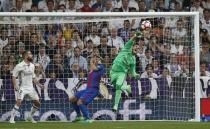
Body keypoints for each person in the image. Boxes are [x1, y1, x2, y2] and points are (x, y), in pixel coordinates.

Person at [9, 51, 44, 124]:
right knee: (19, 102)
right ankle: (12, 118)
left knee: (38, 103)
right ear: (25, 56)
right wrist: (15, 85)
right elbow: (14, 76)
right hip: (23, 87)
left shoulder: (32, 65)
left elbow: (33, 77)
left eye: (31, 54)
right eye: (30, 54)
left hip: (31, 88)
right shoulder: (19, 65)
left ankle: (30, 116)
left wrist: (39, 85)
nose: (31, 55)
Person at [110, 32, 141, 111]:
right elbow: (131, 40)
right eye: (135, 47)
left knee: (118, 86)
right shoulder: (126, 48)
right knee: (116, 86)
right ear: (132, 47)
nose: (136, 49)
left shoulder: (133, 60)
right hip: (113, 71)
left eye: (138, 48)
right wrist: (135, 35)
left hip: (122, 73)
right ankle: (127, 87)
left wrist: (136, 75)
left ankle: (115, 106)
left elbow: (133, 72)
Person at [69, 55, 105, 123]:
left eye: (98, 59)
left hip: (93, 90)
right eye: (95, 58)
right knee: (72, 99)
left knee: (80, 102)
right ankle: (79, 116)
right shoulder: (91, 69)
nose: (96, 59)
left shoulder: (101, 66)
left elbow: (95, 68)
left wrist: (91, 61)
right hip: (87, 89)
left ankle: (88, 118)